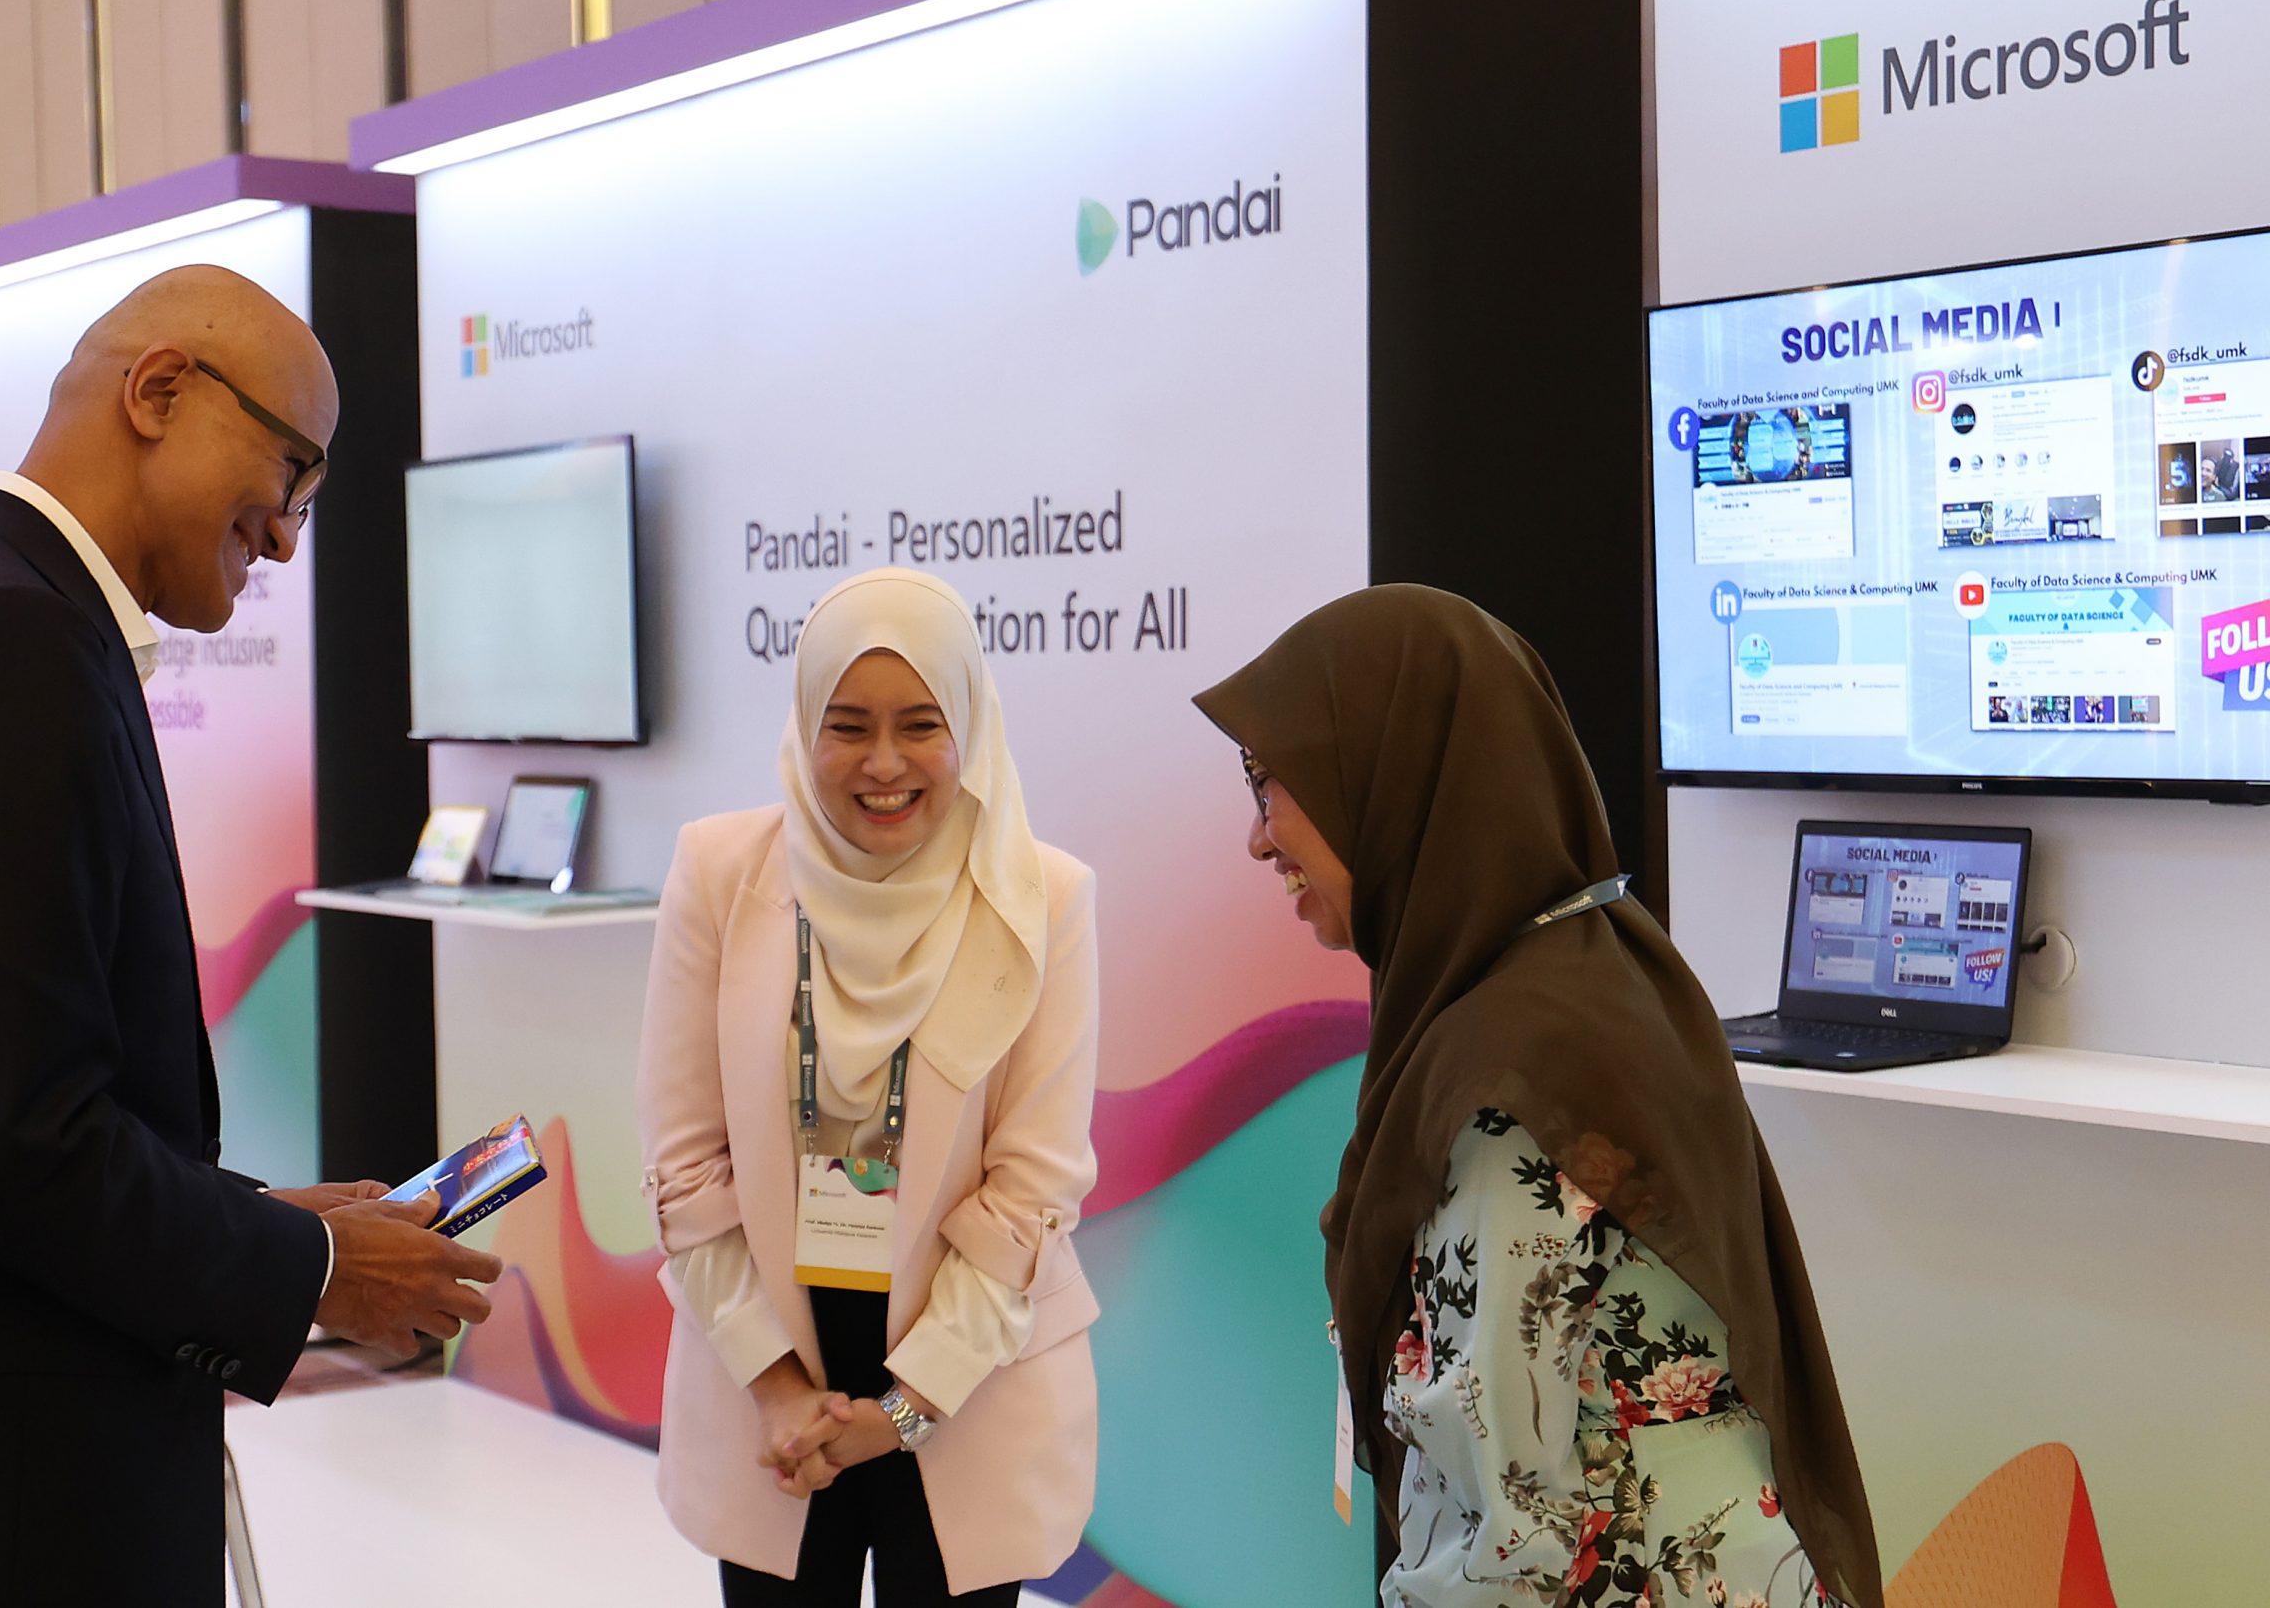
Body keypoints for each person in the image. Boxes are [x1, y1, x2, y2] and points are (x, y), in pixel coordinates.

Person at [0, 266, 503, 1608]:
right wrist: (308, 1268)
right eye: (293, 471)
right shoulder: (5, 641)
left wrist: (248, 1212)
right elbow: (6, 1144)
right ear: (159, 390)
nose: (292, 538)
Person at [1194, 585, 1885, 1608]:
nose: (1259, 838)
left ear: (1384, 773)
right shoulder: (1596, 972)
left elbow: (1517, 1528)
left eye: (1269, 784)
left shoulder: (1502, 1080)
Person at [638, 568, 1099, 1607]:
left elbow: (1031, 1191)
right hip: (767, 1384)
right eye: (846, 725)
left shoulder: (1043, 898)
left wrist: (899, 1413)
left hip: (969, 1387)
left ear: (967, 729)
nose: (883, 763)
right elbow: (682, 1164)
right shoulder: (720, 871)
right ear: (804, 727)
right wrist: (777, 1385)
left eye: (919, 724)